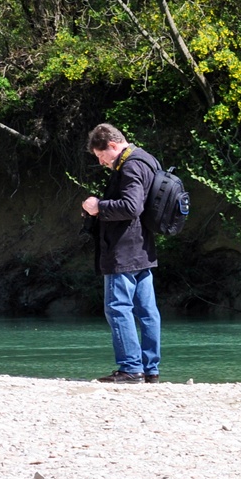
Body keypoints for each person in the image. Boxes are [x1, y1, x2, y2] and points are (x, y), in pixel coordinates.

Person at [81, 123, 164, 384]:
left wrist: (98, 207)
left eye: (100, 155)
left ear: (113, 146)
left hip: (123, 251)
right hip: (143, 247)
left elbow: (131, 206)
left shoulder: (130, 165)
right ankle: (150, 369)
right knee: (147, 310)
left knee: (118, 308)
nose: (101, 161)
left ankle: (131, 368)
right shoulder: (149, 160)